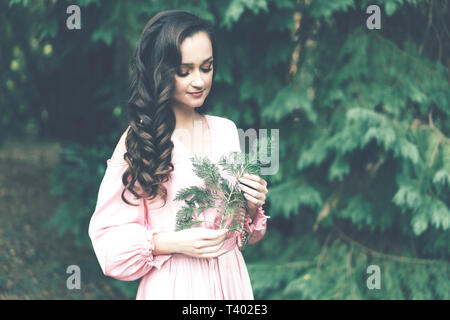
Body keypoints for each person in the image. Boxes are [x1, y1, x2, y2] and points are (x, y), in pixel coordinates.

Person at [88, 10, 270, 300]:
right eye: (184, 71)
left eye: (206, 67)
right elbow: (109, 243)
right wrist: (173, 242)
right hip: (175, 286)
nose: (198, 81)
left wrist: (250, 204)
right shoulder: (139, 141)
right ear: (160, 71)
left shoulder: (226, 130)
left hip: (231, 282)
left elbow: (240, 237)